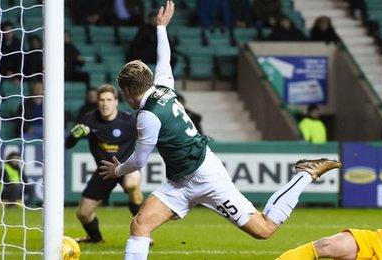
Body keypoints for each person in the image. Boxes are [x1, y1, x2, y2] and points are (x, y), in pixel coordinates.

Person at [99, 3, 341, 259]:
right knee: (140, 225)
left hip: (207, 178)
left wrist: (117, 170)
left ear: (126, 92)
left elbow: (138, 160)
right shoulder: (163, 86)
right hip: (179, 182)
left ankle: (305, 173)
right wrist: (161, 28)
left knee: (264, 230)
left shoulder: (147, 116)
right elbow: (164, 59)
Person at [65, 84, 143, 244]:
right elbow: (68, 144)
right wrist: (74, 136)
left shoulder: (129, 121)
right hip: (104, 171)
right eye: (101, 100)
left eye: (108, 99)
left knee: (132, 183)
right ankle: (96, 238)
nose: (104, 103)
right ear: (97, 102)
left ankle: (143, 231)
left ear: (115, 102)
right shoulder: (89, 119)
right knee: (83, 214)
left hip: (125, 167)